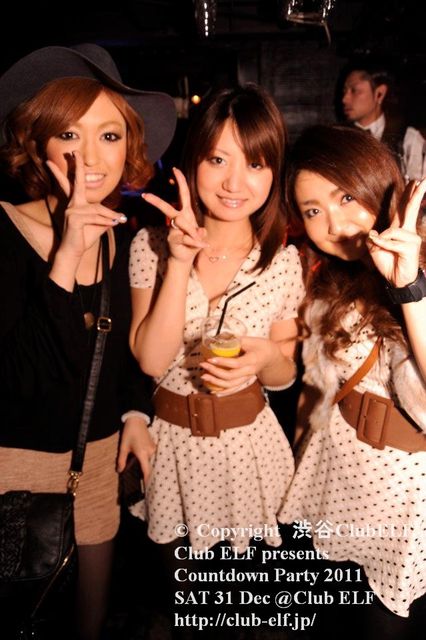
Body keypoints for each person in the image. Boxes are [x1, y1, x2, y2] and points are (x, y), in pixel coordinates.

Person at [0, 43, 176, 639]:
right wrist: (66, 255)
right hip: (15, 468)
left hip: (97, 460)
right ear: (38, 144)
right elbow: (21, 379)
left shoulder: (119, 238)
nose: (91, 158)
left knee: (90, 622)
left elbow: (119, 354)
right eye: (69, 136)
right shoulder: (5, 231)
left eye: (109, 136)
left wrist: (135, 412)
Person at [128, 84, 304, 619]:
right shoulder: (150, 247)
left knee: (244, 609)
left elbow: (284, 374)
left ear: (273, 173)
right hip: (172, 452)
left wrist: (265, 359)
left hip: (251, 453)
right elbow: (151, 361)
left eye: (255, 164)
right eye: (218, 160)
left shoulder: (282, 261)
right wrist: (180, 261)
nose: (234, 182)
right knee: (182, 606)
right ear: (193, 163)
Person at [280, 124, 426, 639]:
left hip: (406, 494)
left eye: (345, 196)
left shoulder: (418, 264)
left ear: (377, 183)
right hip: (339, 471)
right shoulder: (330, 278)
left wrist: (409, 288)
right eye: (312, 210)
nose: (334, 224)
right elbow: (317, 384)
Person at [341, 59, 426, 182]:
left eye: (354, 91)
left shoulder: (408, 139)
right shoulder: (340, 137)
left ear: (379, 94)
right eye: (344, 91)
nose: (345, 99)